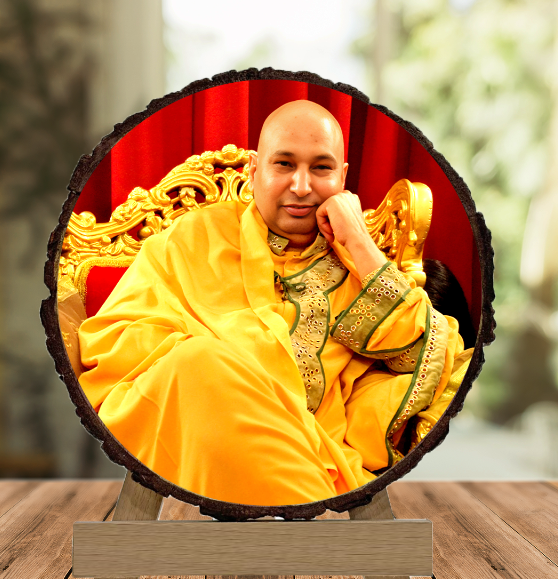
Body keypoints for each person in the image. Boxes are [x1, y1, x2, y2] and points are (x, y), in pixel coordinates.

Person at [77, 100, 472, 506]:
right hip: (198, 429)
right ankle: (319, 547)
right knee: (198, 364)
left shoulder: (358, 265)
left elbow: (424, 353)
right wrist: (228, 369)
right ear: (254, 169)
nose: (301, 186)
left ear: (343, 177)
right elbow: (114, 341)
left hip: (312, 452)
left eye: (321, 168)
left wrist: (357, 238)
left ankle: (301, 540)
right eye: (283, 164)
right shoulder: (194, 236)